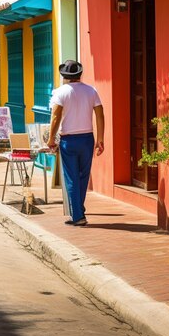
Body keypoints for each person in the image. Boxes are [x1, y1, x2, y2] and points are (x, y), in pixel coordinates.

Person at [47, 59, 104, 227]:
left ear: (64, 75)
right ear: (79, 74)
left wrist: (51, 138)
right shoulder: (91, 90)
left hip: (69, 140)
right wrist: (100, 138)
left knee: (71, 178)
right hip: (87, 139)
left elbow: (56, 117)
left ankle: (78, 216)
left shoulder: (60, 92)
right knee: (83, 177)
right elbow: (100, 114)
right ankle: (79, 210)